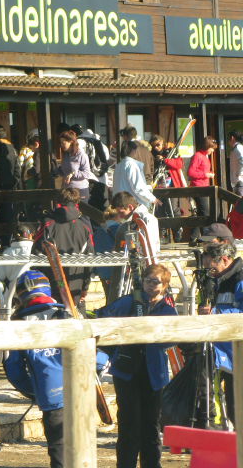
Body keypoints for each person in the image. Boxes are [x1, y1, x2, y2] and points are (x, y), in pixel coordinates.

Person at [96, 264, 178, 468]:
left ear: (165, 285)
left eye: (156, 281)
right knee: (129, 425)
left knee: (151, 425)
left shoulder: (167, 310)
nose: (151, 285)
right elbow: (104, 320)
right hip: (126, 370)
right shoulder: (128, 302)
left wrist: (148, 333)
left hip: (153, 373)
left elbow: (171, 338)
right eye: (148, 280)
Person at [3, 270, 70, 468]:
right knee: (81, 438)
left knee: (58, 445)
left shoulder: (19, 324)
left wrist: (34, 390)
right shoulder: (66, 314)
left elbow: (14, 369)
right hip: (79, 388)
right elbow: (95, 354)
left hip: (50, 393)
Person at [198, 241, 243, 420]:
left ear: (225, 260)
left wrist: (217, 312)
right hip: (220, 351)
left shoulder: (239, 279)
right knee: (230, 409)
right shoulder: (215, 280)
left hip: (237, 353)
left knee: (237, 409)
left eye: (212, 267)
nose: (210, 272)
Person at [32, 188, 94, 304]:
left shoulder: (48, 224)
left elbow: (36, 255)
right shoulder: (85, 228)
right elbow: (89, 260)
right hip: (76, 282)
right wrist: (85, 287)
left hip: (51, 282)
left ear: (57, 202)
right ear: (77, 203)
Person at [111, 191, 161, 261]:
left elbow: (152, 249)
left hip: (148, 262)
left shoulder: (148, 220)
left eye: (121, 212)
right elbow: (118, 252)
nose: (120, 216)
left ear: (130, 207)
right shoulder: (123, 227)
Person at [113, 141, 160, 209]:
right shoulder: (132, 166)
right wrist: (153, 199)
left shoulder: (119, 165)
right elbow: (138, 188)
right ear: (133, 151)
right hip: (132, 205)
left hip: (119, 203)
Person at [188, 136, 218, 239]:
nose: (212, 150)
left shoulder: (205, 157)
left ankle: (194, 237)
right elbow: (191, 172)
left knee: (201, 213)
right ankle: (206, 237)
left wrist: (207, 174)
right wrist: (206, 175)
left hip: (203, 187)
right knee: (205, 212)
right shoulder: (198, 156)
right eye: (211, 148)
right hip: (198, 187)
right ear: (207, 146)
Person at [53, 130, 94, 201]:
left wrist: (73, 174)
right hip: (67, 190)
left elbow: (87, 173)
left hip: (80, 190)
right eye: (61, 143)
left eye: (63, 143)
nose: (61, 145)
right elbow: (64, 171)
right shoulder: (66, 154)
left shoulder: (81, 155)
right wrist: (55, 170)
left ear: (71, 142)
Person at [228, 130, 243, 196]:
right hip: (237, 182)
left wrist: (239, 174)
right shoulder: (236, 148)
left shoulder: (238, 148)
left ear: (232, 138)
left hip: (239, 182)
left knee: (239, 203)